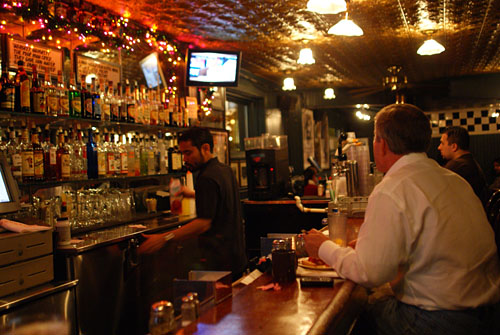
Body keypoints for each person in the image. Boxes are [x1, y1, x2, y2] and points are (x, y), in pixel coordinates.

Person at [304, 104, 500, 335]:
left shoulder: (392, 188)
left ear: (382, 144)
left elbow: (369, 273)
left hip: (441, 321)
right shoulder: (454, 180)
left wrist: (323, 248)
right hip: (490, 315)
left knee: (356, 312)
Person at [139, 127, 247, 280]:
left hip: (219, 264)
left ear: (205, 148)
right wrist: (192, 194)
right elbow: (219, 200)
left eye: (188, 153)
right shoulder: (224, 170)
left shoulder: (207, 178)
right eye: (182, 153)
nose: (184, 159)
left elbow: (203, 223)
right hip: (236, 258)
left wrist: (164, 238)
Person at [438, 126, 488, 204]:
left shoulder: (458, 165)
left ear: (454, 146)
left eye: (442, 143)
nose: (439, 147)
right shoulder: (469, 162)